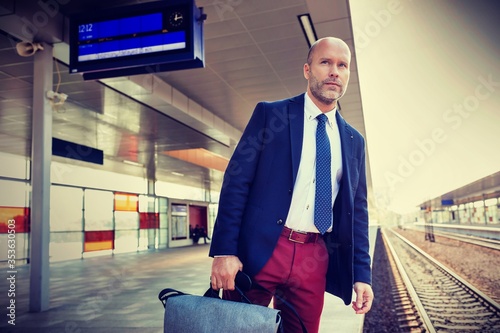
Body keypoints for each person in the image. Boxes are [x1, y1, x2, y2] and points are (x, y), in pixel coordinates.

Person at [209, 37, 373, 333]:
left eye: (342, 65)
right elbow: (236, 182)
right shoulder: (271, 115)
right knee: (239, 329)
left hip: (314, 256)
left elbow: (357, 213)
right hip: (259, 252)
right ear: (307, 70)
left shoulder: (353, 141)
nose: (334, 71)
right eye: (325, 62)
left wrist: (362, 274)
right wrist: (224, 251)